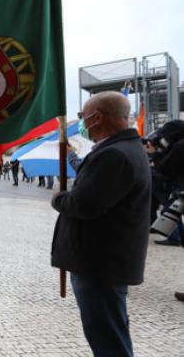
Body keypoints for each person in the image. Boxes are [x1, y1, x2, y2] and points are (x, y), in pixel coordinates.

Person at [51, 92, 151, 357]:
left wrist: (59, 198)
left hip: (99, 265)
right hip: (106, 261)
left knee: (108, 338)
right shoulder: (123, 148)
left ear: (97, 117)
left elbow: (83, 204)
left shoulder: (115, 155)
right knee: (111, 332)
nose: (83, 123)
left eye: (84, 117)